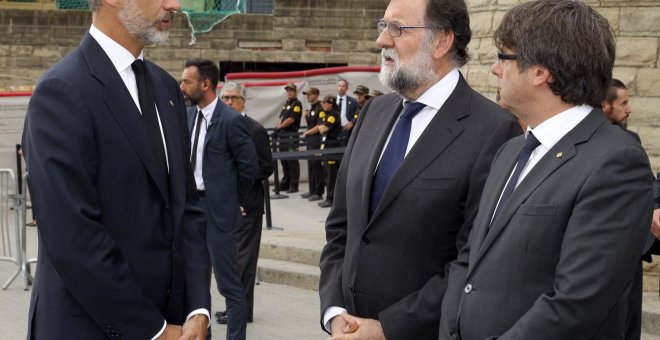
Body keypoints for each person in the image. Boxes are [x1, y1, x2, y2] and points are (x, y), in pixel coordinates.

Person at [439, 1, 654, 339]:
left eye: (503, 56)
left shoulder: (615, 162)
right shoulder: (510, 151)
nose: (495, 69)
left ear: (541, 71)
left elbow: (577, 303)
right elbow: (469, 259)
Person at [318, 0, 522, 338]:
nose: (382, 40)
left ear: (442, 40)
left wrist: (389, 328)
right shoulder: (374, 113)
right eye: (382, 26)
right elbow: (341, 226)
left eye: (396, 28)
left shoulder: (495, 131)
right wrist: (335, 311)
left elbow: (473, 260)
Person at [21, 0, 211, 338]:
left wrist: (198, 308)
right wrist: (154, 330)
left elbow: (188, 209)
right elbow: (73, 237)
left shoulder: (167, 88)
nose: (175, 4)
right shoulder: (62, 90)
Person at [180, 59, 258, 340]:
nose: (182, 86)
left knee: (229, 286)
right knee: (196, 282)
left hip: (219, 214)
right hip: (190, 210)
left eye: (187, 81)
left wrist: (232, 200)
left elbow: (250, 168)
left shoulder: (231, 120)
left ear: (205, 84)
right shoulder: (187, 117)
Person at [217, 82, 274, 325]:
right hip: (223, 206)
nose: (228, 102)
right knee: (228, 261)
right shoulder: (217, 127)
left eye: (233, 98)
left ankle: (241, 312)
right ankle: (234, 306)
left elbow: (266, 167)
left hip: (247, 206)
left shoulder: (255, 130)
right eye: (225, 98)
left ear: (243, 101)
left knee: (243, 262)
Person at [275, 83, 303, 193]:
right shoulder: (286, 104)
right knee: (284, 160)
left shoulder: (297, 104)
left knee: (292, 160)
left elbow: (291, 119)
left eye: (291, 90)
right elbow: (280, 117)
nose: (289, 92)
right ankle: (285, 183)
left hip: (291, 135)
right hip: (283, 135)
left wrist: (279, 127)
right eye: (288, 90)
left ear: (295, 91)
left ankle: (294, 185)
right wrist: (278, 127)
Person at [316, 95, 342, 208]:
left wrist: (322, 127)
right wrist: (321, 127)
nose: (322, 104)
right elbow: (320, 127)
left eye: (324, 103)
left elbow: (324, 129)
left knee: (331, 173)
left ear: (330, 104)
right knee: (326, 172)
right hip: (327, 146)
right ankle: (329, 197)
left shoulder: (333, 114)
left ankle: (331, 199)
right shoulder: (326, 114)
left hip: (333, 146)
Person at [301, 87, 325, 202]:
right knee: (311, 165)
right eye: (307, 95)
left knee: (316, 165)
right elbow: (311, 123)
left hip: (316, 140)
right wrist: (306, 116)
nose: (308, 96)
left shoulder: (320, 108)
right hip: (310, 140)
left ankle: (319, 192)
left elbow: (318, 126)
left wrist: (306, 132)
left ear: (316, 94)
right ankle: (312, 190)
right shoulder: (312, 108)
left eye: (310, 94)